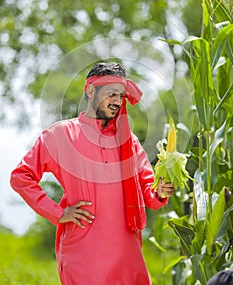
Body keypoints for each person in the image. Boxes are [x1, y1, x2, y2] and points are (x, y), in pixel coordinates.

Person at [10, 62, 175, 285]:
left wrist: (160, 191)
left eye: (120, 95)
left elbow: (149, 192)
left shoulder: (129, 142)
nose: (117, 101)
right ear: (90, 91)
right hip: (83, 253)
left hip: (127, 252)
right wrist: (58, 213)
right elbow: (21, 176)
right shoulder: (61, 134)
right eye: (111, 94)